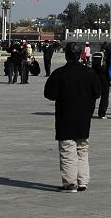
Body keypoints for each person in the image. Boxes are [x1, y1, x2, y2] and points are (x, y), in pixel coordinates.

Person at [43, 42, 101, 192]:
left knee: (68, 150)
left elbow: (49, 94)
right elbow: (98, 92)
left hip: (65, 116)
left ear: (66, 54)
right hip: (84, 117)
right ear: (81, 54)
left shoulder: (60, 73)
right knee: (82, 149)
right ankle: (83, 181)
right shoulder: (90, 73)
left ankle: (70, 183)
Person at [90, 45, 111, 119]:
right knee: (104, 96)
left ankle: (90, 112)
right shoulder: (106, 56)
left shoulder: (95, 54)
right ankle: (101, 114)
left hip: (94, 76)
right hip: (104, 77)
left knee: (93, 96)